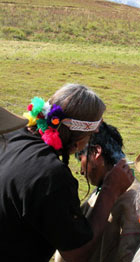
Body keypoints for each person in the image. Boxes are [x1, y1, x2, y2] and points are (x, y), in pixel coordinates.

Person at [0, 84, 134, 262]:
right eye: (89, 136)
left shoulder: (11, 136)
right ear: (79, 138)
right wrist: (110, 190)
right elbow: (76, 253)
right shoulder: (51, 176)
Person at [55, 121, 140, 262]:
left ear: (95, 153)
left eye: (80, 158)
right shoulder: (104, 189)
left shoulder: (132, 200)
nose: (81, 171)